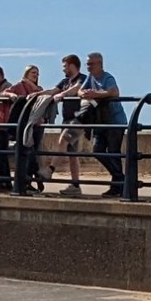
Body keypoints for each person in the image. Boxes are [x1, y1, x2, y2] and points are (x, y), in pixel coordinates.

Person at [78, 52, 128, 198]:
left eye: (91, 64)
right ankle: (120, 179)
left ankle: (118, 185)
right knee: (97, 149)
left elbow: (114, 92)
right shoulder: (90, 77)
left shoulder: (107, 78)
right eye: (87, 64)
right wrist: (84, 94)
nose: (88, 67)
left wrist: (96, 94)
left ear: (100, 64)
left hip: (114, 121)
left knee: (113, 152)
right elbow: (81, 89)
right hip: (100, 121)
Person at [49, 55, 86, 196]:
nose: (63, 69)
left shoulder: (82, 78)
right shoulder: (65, 81)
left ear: (71, 65)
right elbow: (53, 91)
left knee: (63, 140)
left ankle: (50, 170)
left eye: (64, 66)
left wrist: (61, 95)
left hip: (78, 120)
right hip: (66, 119)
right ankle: (75, 185)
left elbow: (76, 89)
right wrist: (38, 95)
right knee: (72, 154)